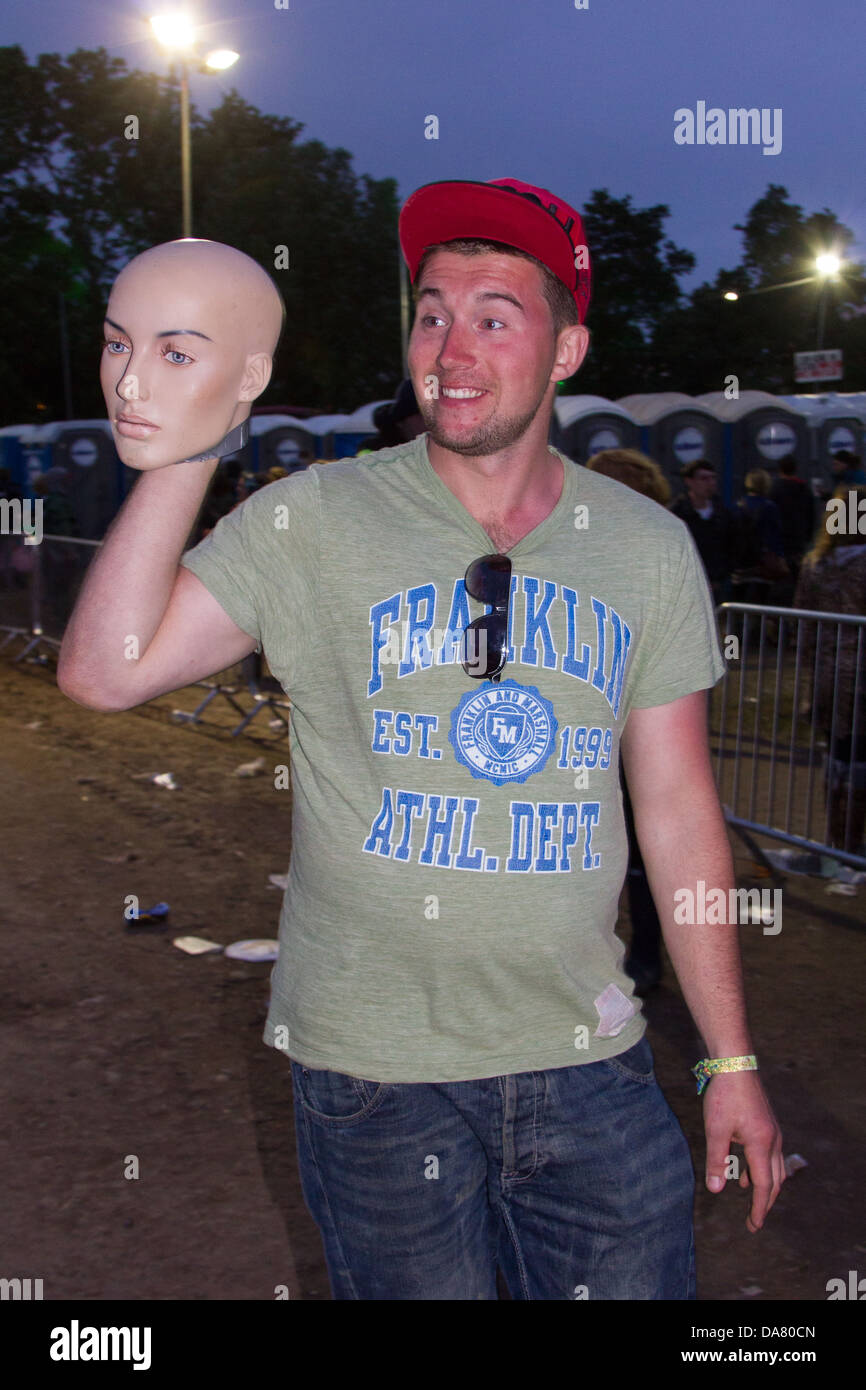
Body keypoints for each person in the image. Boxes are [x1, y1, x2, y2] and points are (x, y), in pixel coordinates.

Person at [58, 181, 784, 1300]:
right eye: (431, 312)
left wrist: (728, 1059)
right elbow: (106, 671)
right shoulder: (315, 518)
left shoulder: (641, 546)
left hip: (586, 1061)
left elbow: (680, 813)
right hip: (371, 1077)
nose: (449, 347)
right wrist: (189, 447)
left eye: (495, 316)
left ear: (566, 348)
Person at [585, 448, 669, 994]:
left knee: (644, 848)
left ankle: (645, 952)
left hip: (641, 732)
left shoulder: (660, 559)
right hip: (585, 732)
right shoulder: (565, 553)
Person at [794, 485, 866, 857]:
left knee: (838, 754)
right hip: (859, 673)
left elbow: (802, 623)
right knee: (858, 758)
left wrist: (810, 672)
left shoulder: (815, 563)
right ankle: (852, 840)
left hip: (828, 673)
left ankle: (839, 837)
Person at [670, 459, 739, 604]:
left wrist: (722, 575)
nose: (710, 483)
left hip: (718, 586)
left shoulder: (722, 513)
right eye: (704, 478)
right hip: (686, 588)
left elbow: (733, 546)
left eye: (713, 478)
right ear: (689, 481)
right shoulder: (677, 513)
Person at [770, 454, 815, 591]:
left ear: (780, 470)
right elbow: (811, 514)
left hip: (781, 542)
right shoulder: (804, 488)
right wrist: (807, 535)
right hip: (798, 540)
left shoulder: (775, 489)